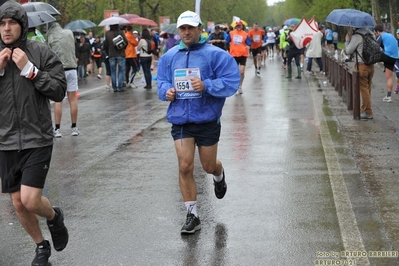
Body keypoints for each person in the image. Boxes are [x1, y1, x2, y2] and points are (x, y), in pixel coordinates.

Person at [157, 10, 240, 234]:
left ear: (199, 29)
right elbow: (161, 82)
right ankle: (192, 215)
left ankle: (219, 174)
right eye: (182, 28)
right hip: (181, 121)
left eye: (190, 28)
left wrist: (206, 86)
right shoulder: (169, 56)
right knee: (185, 166)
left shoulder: (215, 55)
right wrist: (167, 92)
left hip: (207, 120)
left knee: (208, 166)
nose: (186, 32)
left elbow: (231, 81)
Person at [0, 2, 69, 266]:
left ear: (22, 25)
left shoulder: (40, 52)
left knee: (29, 199)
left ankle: (54, 217)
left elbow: (58, 90)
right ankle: (41, 245)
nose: (6, 29)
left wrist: (30, 70)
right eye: (2, 24)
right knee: (18, 203)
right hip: (5, 140)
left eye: (12, 23)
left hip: (36, 137)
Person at [47, 22, 80, 137]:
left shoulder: (50, 36)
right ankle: (74, 127)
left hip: (58, 71)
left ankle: (57, 129)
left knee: (58, 100)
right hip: (72, 69)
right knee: (73, 99)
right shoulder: (69, 33)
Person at [345, 27, 375, 120]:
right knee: (367, 88)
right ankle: (365, 109)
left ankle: (368, 112)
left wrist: (347, 41)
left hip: (361, 66)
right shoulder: (371, 34)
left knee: (363, 90)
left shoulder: (357, 37)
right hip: (371, 65)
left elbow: (348, 51)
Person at [374, 25, 399, 103]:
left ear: (378, 31)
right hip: (395, 57)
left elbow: (375, 47)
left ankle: (367, 65)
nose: (375, 34)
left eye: (375, 33)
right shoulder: (391, 35)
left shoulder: (381, 36)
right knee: (389, 77)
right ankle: (388, 96)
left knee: (373, 56)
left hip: (387, 56)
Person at [225, 20, 251, 94]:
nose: (239, 27)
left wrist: (248, 46)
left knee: (242, 72)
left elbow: (249, 43)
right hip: (234, 55)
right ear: (235, 26)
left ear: (242, 26)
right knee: (235, 72)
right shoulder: (231, 33)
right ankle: (236, 85)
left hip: (243, 54)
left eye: (240, 25)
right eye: (238, 25)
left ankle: (240, 86)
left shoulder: (245, 34)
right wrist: (227, 50)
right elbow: (226, 42)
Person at [103, 24, 127, 92]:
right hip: (121, 54)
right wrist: (123, 48)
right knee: (121, 71)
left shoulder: (107, 34)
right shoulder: (121, 32)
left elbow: (105, 45)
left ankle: (114, 87)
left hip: (111, 55)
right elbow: (126, 42)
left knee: (113, 71)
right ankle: (120, 87)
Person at [395, 29, 399, 94]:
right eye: (398, 34)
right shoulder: (395, 41)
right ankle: (398, 86)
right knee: (398, 74)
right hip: (397, 59)